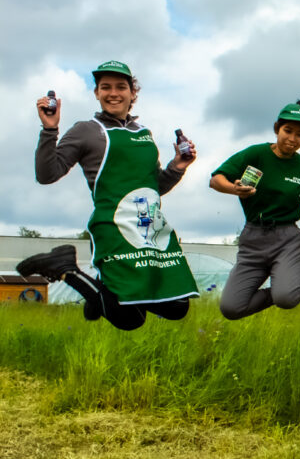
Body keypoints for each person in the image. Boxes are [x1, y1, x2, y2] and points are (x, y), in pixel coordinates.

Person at [18, 60, 198, 330]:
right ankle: (68, 271)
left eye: (120, 87)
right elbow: (47, 174)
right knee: (129, 319)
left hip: (150, 230)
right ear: (97, 94)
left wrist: (177, 167)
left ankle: (99, 295)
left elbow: (153, 188)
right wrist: (49, 129)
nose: (113, 93)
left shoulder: (145, 135)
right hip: (113, 229)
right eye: (105, 87)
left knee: (176, 307)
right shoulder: (86, 130)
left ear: (132, 93)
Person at [210, 100, 300, 320]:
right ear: (277, 128)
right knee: (231, 309)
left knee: (285, 298)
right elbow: (216, 180)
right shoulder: (255, 154)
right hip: (253, 239)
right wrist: (234, 189)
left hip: (286, 239)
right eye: (288, 131)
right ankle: (298, 279)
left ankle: (292, 281)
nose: (293, 139)